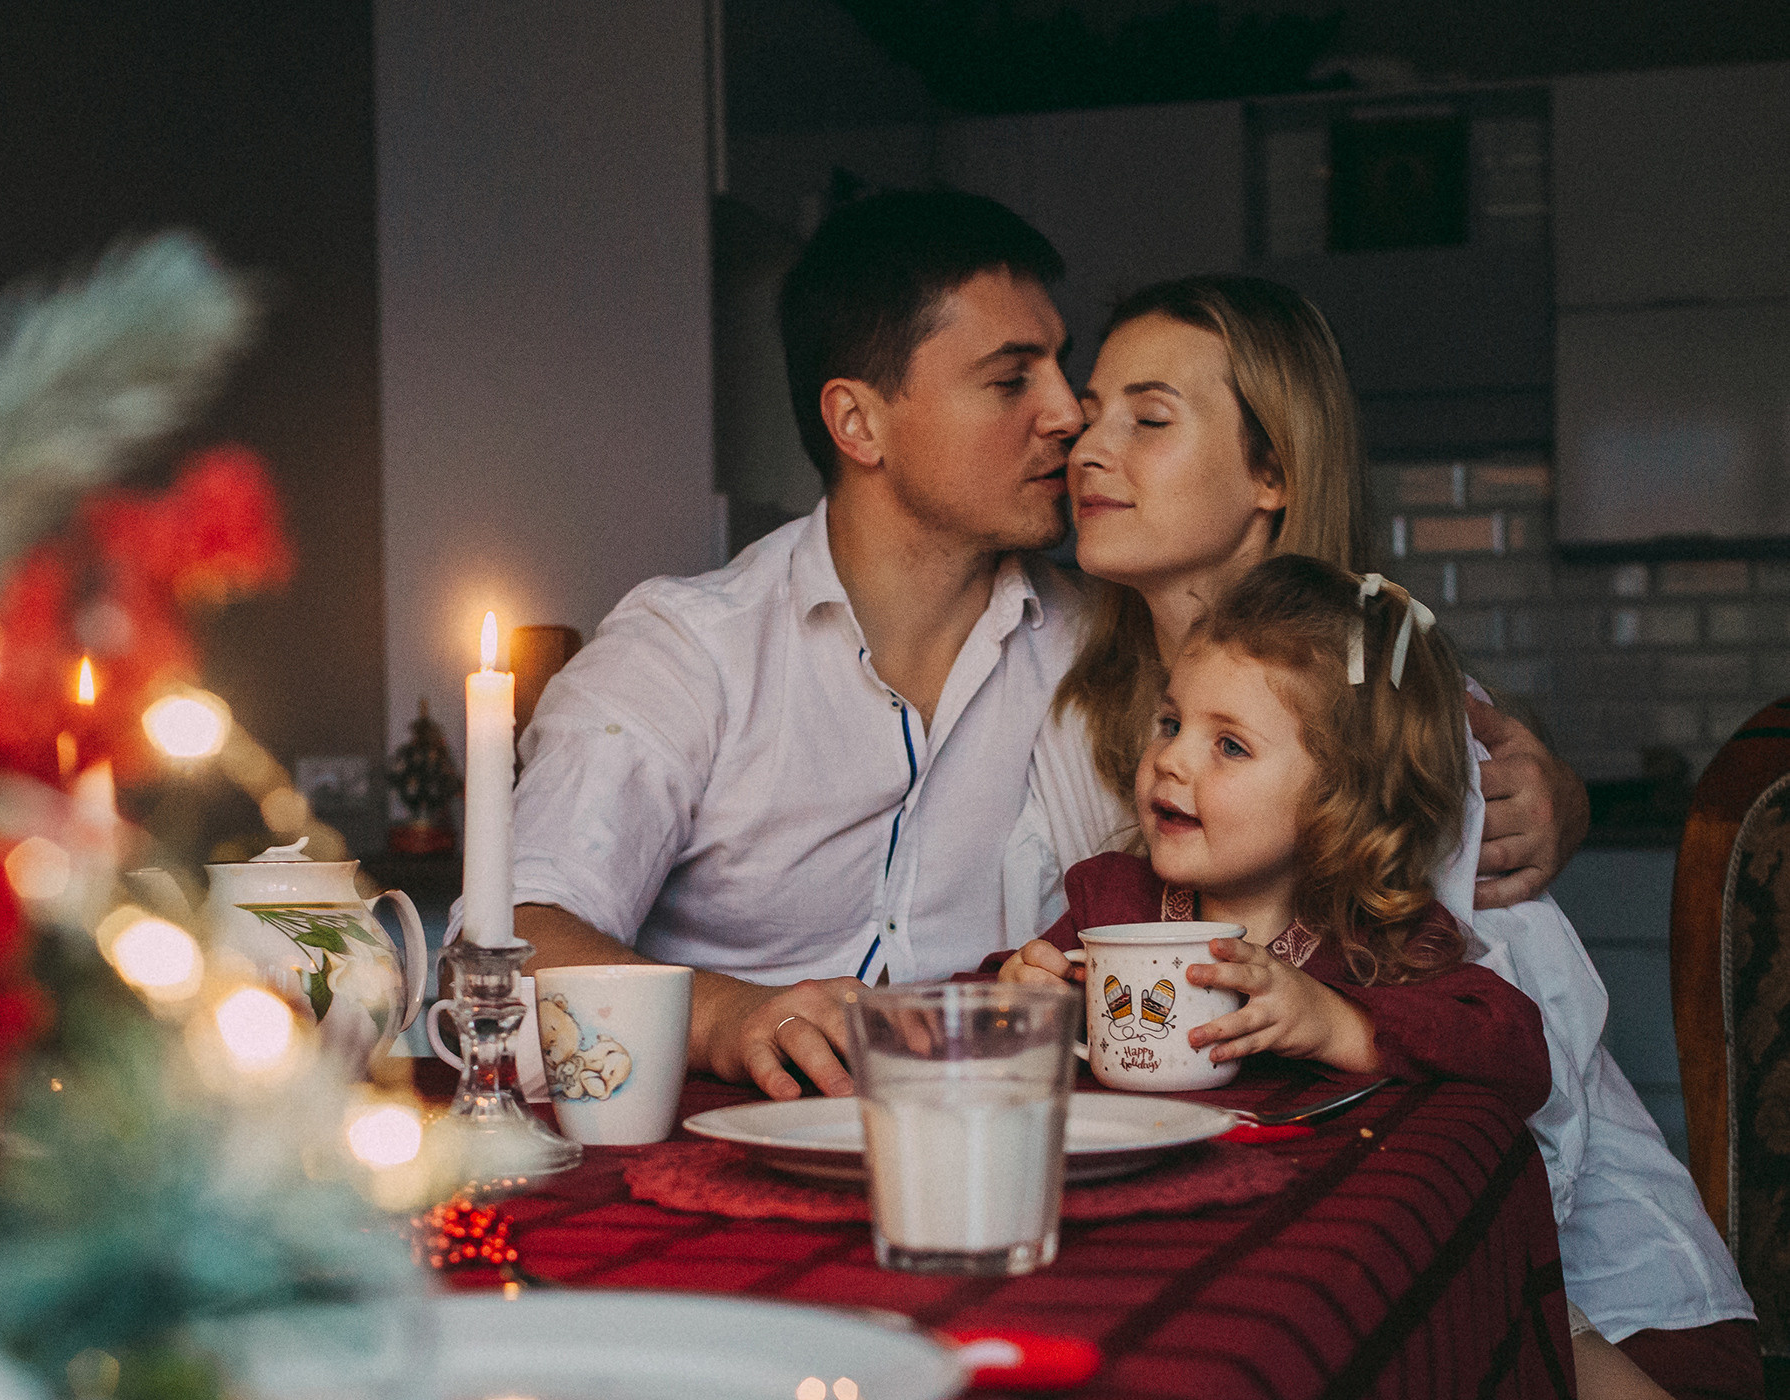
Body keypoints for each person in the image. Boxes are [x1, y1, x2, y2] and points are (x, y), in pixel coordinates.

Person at [503, 190, 1581, 1102]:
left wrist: (1550, 793)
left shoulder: (1105, 645)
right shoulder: (691, 650)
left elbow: (1330, 714)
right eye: (1015, 376)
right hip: (738, 1140)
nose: (1070, 417)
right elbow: (512, 935)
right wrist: (726, 1014)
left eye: (1074, 375)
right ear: (860, 423)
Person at [1003, 274, 1754, 1400]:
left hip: (1587, 1293)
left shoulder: (1390, 707)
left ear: (1275, 474)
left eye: (1149, 418)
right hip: (1279, 1230)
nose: (1087, 444)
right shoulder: (1077, 678)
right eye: (1093, 409)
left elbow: (1512, 1063)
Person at [996, 554, 1551, 1121]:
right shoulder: (1108, 900)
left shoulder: (1375, 941)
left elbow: (1519, 1053)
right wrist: (1016, 994)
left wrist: (1337, 1024)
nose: (1172, 759)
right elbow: (976, 1002)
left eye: (1230, 745)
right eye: (1171, 723)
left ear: (1340, 796)